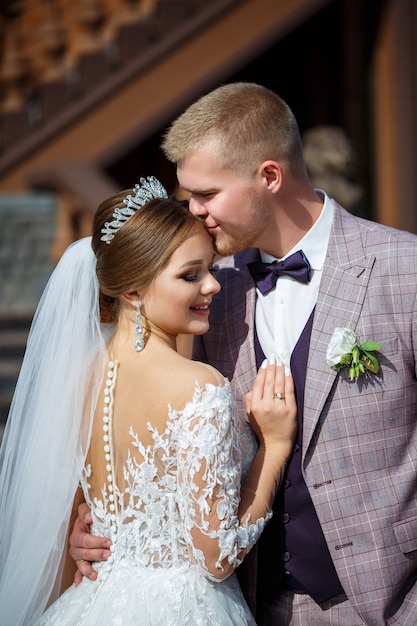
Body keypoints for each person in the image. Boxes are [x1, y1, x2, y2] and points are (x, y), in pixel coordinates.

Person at [69, 82, 417, 625]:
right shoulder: (211, 293)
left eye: (206, 194)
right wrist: (97, 522)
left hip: (389, 603)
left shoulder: (404, 269)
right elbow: (149, 429)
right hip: (245, 604)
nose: (193, 212)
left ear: (269, 176)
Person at [0, 175, 297, 625]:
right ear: (133, 291)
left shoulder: (78, 378)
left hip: (92, 604)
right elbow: (217, 557)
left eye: (211, 269)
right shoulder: (199, 387)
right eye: (190, 275)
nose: (213, 286)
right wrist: (274, 449)